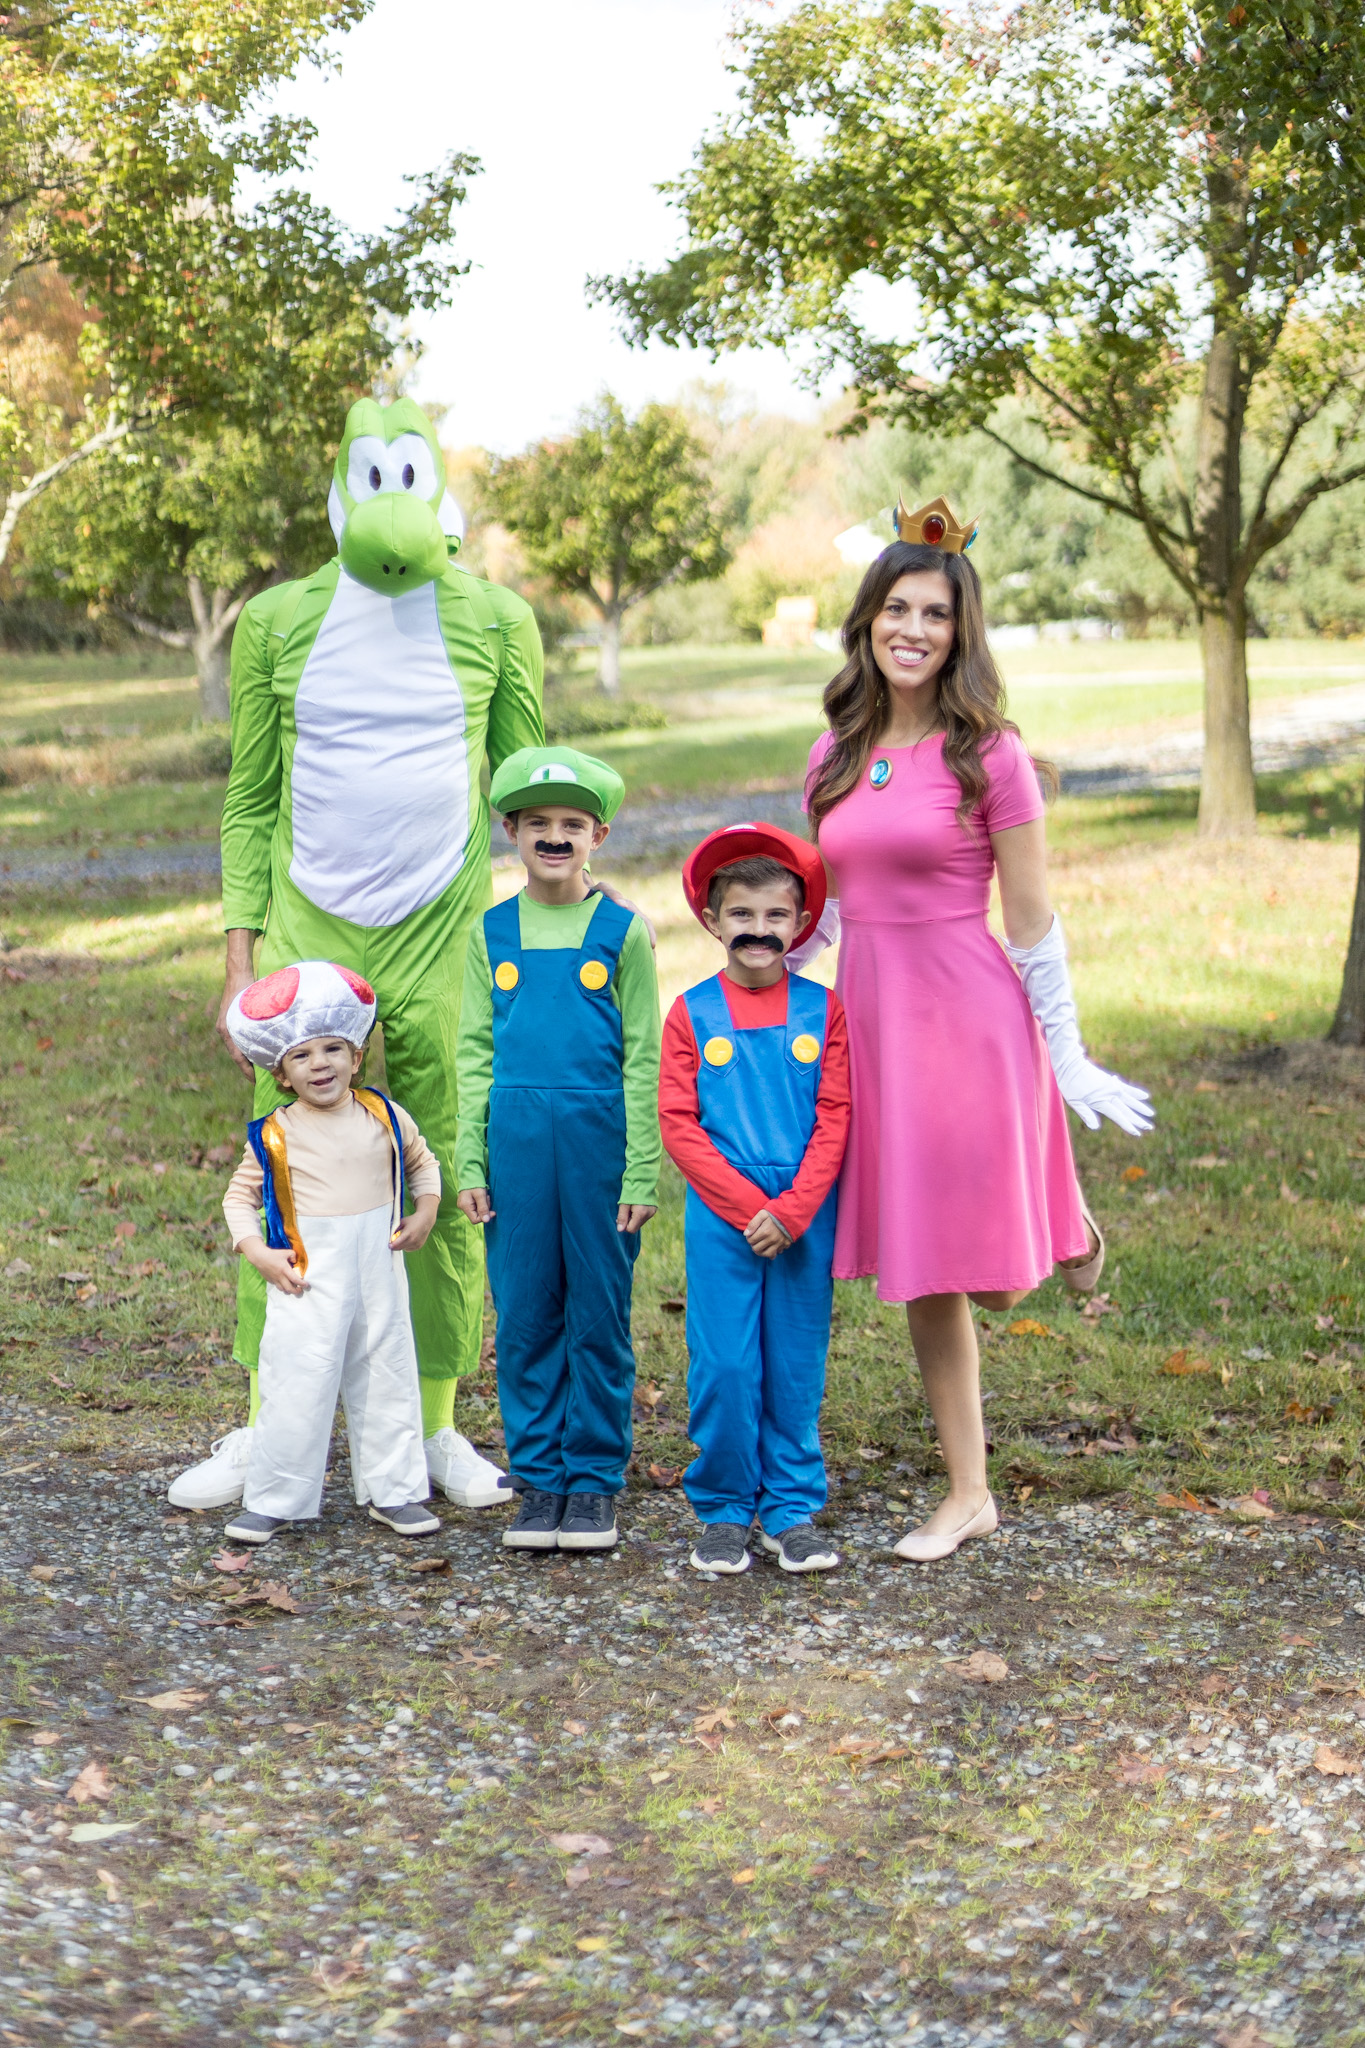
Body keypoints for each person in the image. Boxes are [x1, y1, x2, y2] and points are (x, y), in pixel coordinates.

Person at [168, 396, 543, 1518]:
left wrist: (540, 946)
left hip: (445, 946)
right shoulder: (278, 621)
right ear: (343, 487)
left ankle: (429, 1422)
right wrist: (239, 961)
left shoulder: (497, 618)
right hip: (305, 943)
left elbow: (531, 789)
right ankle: (269, 1418)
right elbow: (249, 797)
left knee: (442, 1175)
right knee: (286, 1176)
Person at [798, 494, 1152, 1563]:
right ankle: (969, 1490)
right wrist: (770, 996)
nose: (913, 629)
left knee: (991, 1272)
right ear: (867, 620)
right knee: (932, 1268)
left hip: (970, 1016)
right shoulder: (834, 752)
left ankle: (1067, 1228)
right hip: (874, 1020)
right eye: (896, 608)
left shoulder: (989, 752)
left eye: (935, 615)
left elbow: (1033, 919)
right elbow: (829, 906)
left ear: (961, 632)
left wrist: (1070, 1050)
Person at [455, 747, 661, 1553]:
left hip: (598, 1141)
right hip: (513, 1140)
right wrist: (469, 1160)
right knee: (527, 1308)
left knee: (598, 1312)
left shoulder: (622, 932)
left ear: (598, 835)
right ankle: (539, 1479)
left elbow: (644, 1055)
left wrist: (642, 1165)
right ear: (511, 831)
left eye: (571, 824)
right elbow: (475, 1051)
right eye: (536, 823)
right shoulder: (492, 931)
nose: (553, 836)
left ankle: (594, 1481)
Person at [660, 824, 851, 1576]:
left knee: (794, 1363)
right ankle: (723, 1507)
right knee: (726, 1365)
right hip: (724, 1219)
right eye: (742, 917)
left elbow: (835, 1117)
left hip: (802, 1218)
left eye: (776, 918)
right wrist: (748, 1211)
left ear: (799, 925)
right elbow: (679, 1123)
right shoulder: (692, 1012)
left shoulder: (823, 1010)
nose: (759, 931)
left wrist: (794, 1209)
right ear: (712, 922)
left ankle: (790, 1508)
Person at [218, 960, 441, 1546]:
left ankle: (395, 1490)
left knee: (388, 1370)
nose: (320, 1064)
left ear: (356, 1058)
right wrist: (257, 1252)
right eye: (302, 1056)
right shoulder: (277, 1133)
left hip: (379, 1267)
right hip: (306, 1274)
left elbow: (422, 1165)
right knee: (298, 1378)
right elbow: (238, 1198)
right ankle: (276, 1497)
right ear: (283, 1074)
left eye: (332, 1049)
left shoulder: (386, 1116)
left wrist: (425, 1210)